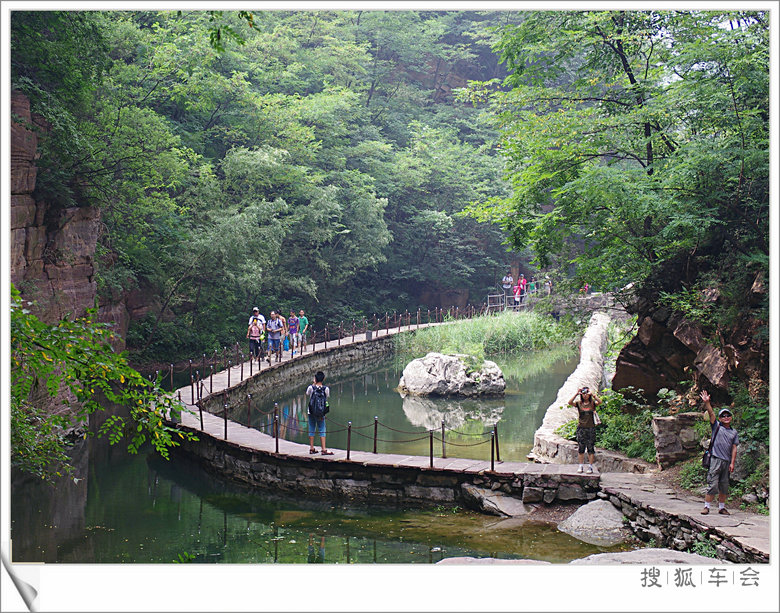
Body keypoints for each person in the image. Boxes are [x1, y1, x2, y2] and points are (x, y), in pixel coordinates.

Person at [700, 390, 739, 515]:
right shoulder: (717, 426)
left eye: (728, 415)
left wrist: (732, 463)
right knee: (712, 484)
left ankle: (722, 507)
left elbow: (734, 448)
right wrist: (707, 403)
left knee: (724, 485)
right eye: (723, 416)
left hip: (727, 462)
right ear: (720, 418)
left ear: (731, 417)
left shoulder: (734, 433)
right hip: (716, 459)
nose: (726, 417)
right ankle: (707, 507)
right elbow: (711, 414)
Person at [568, 386, 602, 473]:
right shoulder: (579, 403)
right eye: (583, 394)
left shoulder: (592, 403)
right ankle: (580, 466)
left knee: (590, 448)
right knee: (581, 448)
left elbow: (600, 402)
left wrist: (593, 395)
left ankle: (590, 466)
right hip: (581, 428)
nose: (585, 395)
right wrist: (576, 393)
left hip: (591, 428)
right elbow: (570, 402)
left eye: (586, 393)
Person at [306, 371, 332, 455]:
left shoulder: (311, 388)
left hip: (311, 411)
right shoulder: (326, 389)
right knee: (322, 428)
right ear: (323, 379)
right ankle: (323, 449)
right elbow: (327, 396)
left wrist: (314, 384)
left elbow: (307, 394)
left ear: (315, 379)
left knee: (311, 427)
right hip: (321, 412)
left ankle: (311, 448)